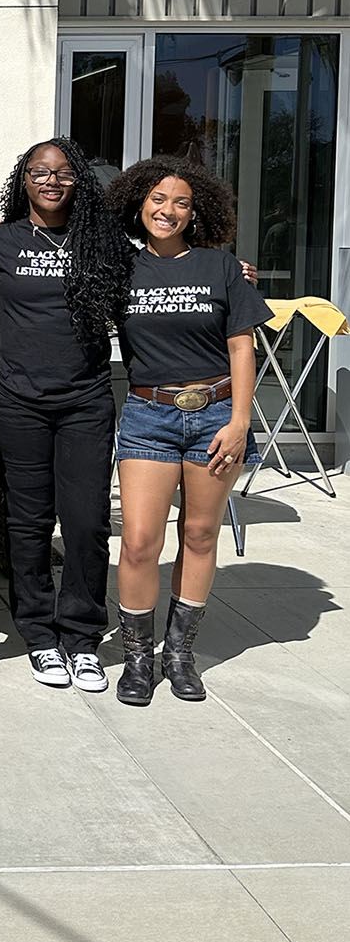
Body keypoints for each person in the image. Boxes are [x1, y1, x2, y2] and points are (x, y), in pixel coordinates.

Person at [106, 157, 269, 705]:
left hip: (215, 416)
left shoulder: (220, 268)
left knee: (200, 535)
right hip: (149, 416)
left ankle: (179, 655)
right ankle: (136, 658)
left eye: (179, 202)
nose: (167, 210)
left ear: (195, 212)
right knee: (139, 542)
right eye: (157, 199)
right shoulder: (119, 270)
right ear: (138, 204)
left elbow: (242, 346)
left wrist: (241, 422)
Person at [0, 135, 134, 692]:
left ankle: (81, 636)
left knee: (87, 522)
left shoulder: (103, 242)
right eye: (39, 172)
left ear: (80, 181)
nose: (51, 180)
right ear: (22, 180)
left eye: (64, 172)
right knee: (26, 525)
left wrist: (229, 268)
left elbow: (162, 275)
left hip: (85, 401)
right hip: (20, 401)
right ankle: (40, 635)